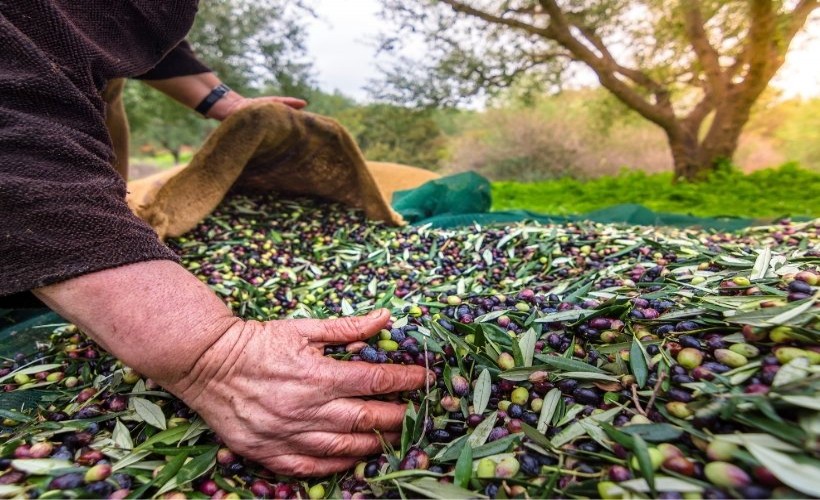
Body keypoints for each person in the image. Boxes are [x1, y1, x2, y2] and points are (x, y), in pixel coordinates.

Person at [0, 1, 431, 476]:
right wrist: (211, 356)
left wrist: (222, 101)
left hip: (73, 116)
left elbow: (105, 21)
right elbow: (19, 144)